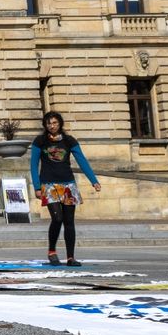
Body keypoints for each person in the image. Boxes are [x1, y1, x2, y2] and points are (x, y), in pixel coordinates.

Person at [30, 111, 100, 266]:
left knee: (69, 221)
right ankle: (52, 251)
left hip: (68, 184)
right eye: (49, 123)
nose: (52, 126)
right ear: (45, 125)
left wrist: (93, 180)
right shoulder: (39, 141)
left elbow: (81, 160)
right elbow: (33, 165)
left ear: (60, 123)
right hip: (49, 185)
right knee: (57, 218)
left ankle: (70, 257)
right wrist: (37, 186)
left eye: (55, 123)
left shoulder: (69, 141)